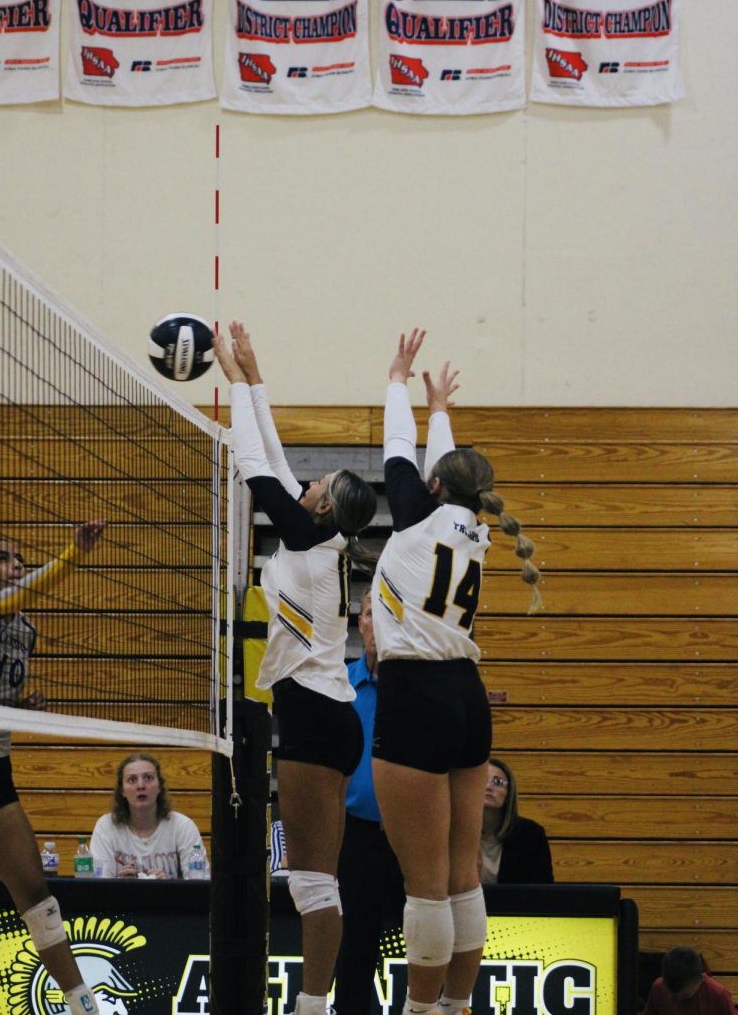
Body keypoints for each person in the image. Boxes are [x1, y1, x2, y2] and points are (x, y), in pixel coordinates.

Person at [371, 329, 541, 1015]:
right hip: (468, 698)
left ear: (435, 486)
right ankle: (456, 1006)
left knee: (426, 881)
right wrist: (437, 408)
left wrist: (396, 382)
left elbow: (394, 452)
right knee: (464, 874)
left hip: (415, 693)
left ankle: (418, 1009)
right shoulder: (476, 531)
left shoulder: (416, 518)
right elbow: (447, 468)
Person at [214, 321, 378, 1015]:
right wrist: (252, 373)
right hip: (324, 713)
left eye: (321, 483)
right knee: (318, 882)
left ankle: (313, 1008)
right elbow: (277, 461)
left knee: (314, 885)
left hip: (313, 716)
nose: (308, 483)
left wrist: (234, 380)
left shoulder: (312, 541)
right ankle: (317, 1004)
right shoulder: (322, 535)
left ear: (327, 506)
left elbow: (257, 465)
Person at [0, 521, 106, 1015]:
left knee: (35, 893)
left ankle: (82, 1004)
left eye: (18, 559)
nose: (15, 565)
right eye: (3, 559)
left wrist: (22, 706)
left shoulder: (25, 629)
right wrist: (72, 555)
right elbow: (25, 591)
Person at [334, 587, 405, 1015]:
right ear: (360, 624)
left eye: (387, 614)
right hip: (356, 835)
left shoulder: (415, 689)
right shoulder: (340, 683)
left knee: (422, 936)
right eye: (369, 614)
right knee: (356, 943)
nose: (377, 622)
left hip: (411, 832)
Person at [90, 752, 209, 879]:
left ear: (159, 787)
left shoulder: (182, 826)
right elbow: (98, 890)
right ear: (122, 791)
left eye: (148, 778)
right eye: (132, 780)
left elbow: (199, 885)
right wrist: (120, 886)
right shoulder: (106, 827)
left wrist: (168, 887)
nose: (140, 786)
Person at [480, 757, 553, 884]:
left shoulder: (531, 834)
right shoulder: (451, 833)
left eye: (497, 782)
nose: (488, 787)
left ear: (509, 794)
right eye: (481, 780)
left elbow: (544, 893)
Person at [643, 947, 736, 1015]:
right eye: (671, 992)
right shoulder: (658, 987)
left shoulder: (718, 994)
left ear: (699, 979)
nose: (678, 999)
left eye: (685, 995)